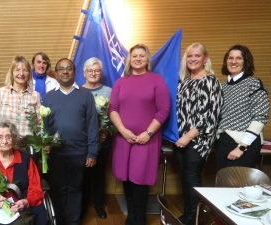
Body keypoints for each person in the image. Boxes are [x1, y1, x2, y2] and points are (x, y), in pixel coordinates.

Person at [109, 44, 170, 225]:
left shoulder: (156, 80)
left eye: (141, 56)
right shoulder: (121, 82)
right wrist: (123, 130)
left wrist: (148, 133)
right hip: (123, 138)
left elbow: (164, 110)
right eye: (134, 56)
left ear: (147, 59)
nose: (137, 59)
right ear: (129, 59)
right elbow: (113, 108)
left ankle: (140, 217)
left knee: (139, 178)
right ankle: (131, 215)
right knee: (126, 177)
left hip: (146, 140)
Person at [43, 58, 99, 225]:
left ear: (74, 72)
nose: (65, 72)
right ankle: (59, 221)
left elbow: (92, 125)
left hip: (79, 152)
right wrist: (45, 146)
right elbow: (45, 126)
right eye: (61, 69)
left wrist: (92, 152)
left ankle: (74, 222)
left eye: (69, 69)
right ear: (56, 73)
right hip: (56, 153)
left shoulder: (86, 95)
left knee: (76, 190)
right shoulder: (49, 96)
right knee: (58, 190)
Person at [175, 43, 222, 225]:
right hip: (180, 140)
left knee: (192, 179)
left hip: (197, 141)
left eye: (197, 56)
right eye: (189, 56)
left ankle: (196, 219)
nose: (193, 59)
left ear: (205, 59)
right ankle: (189, 216)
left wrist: (188, 137)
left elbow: (210, 117)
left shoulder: (210, 81)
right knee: (185, 179)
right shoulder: (185, 81)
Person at [0, 121, 47, 225]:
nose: (4, 141)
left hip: (22, 208)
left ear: (14, 138)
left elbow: (36, 189)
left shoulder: (26, 160)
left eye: (8, 137)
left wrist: (25, 202)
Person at [215, 44, 270, 171]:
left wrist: (241, 146)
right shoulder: (221, 87)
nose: (233, 62)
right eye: (230, 58)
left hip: (244, 143)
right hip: (223, 141)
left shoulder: (254, 83)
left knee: (235, 185)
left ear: (246, 62)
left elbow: (260, 117)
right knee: (221, 184)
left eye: (239, 58)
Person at [80, 57, 112, 219]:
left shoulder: (109, 91)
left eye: (97, 70)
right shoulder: (77, 91)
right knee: (84, 175)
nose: (93, 73)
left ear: (101, 73)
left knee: (99, 174)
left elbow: (114, 116)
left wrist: (106, 129)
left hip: (102, 141)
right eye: (90, 70)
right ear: (84, 73)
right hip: (82, 142)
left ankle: (99, 205)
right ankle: (83, 205)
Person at [0, 55, 41, 140]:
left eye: (25, 70)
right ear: (12, 72)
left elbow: (39, 124)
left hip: (28, 147)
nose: (21, 74)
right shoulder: (1, 92)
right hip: (5, 145)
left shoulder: (35, 95)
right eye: (17, 70)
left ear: (29, 73)